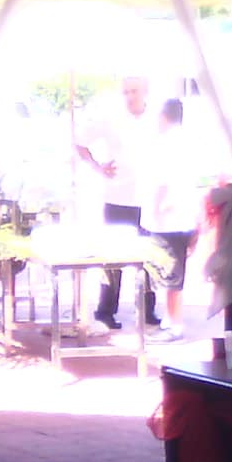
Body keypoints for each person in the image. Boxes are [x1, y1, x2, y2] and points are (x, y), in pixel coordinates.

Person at [75, 74, 159, 329]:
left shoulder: (157, 118)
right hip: (117, 196)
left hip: (149, 197)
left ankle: (147, 309)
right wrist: (97, 166)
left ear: (145, 91)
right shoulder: (110, 118)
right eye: (126, 92)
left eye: (134, 91)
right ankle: (106, 310)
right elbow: (80, 143)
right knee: (113, 257)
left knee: (150, 257)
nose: (130, 96)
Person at [145, 98, 203, 334]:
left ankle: (175, 323)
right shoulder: (191, 141)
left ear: (162, 117)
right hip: (185, 215)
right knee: (175, 270)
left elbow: (162, 180)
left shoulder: (165, 143)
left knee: (171, 272)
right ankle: (171, 319)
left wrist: (155, 207)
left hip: (168, 216)